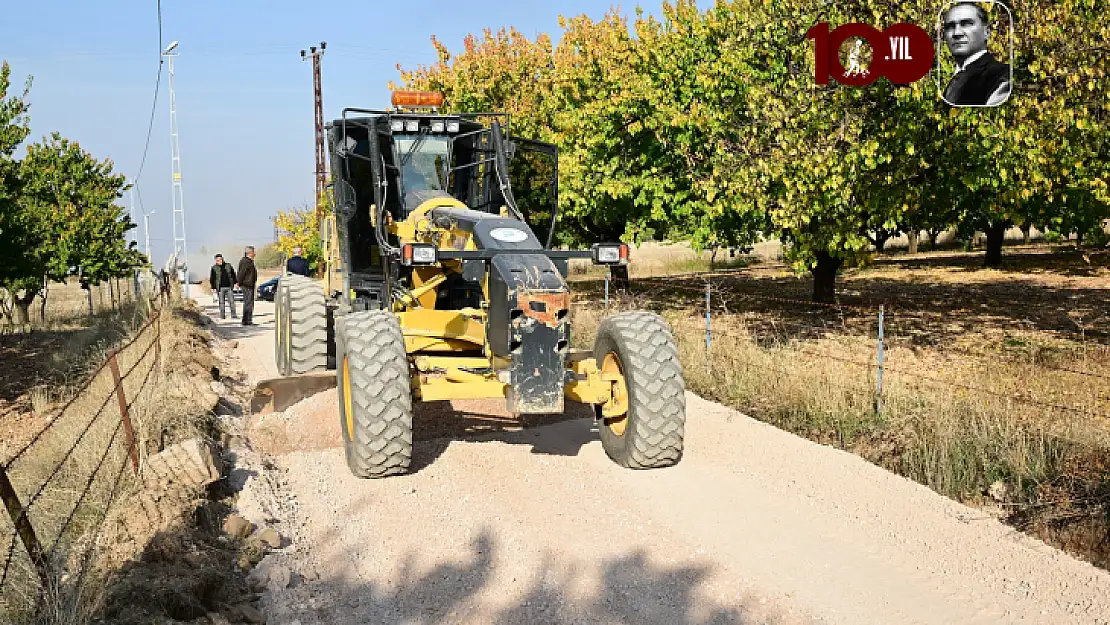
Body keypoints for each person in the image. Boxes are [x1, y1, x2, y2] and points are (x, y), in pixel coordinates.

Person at [941, 2, 1011, 107]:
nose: (957, 33)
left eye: (966, 24)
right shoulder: (957, 78)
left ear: (986, 32)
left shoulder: (1002, 76)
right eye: (950, 26)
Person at [209, 254, 237, 320]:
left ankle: (234, 315)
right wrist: (213, 288)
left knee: (232, 302)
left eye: (221, 259)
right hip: (220, 288)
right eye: (218, 260)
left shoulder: (228, 265)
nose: (220, 261)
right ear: (216, 260)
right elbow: (212, 278)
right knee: (221, 303)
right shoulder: (214, 268)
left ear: (223, 259)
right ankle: (222, 316)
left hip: (229, 287)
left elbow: (233, 274)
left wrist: (235, 282)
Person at [237, 246, 258, 326]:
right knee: (248, 303)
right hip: (247, 285)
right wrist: (238, 282)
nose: (254, 254)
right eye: (253, 252)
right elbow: (241, 273)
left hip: (248, 284)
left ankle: (246, 320)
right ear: (249, 253)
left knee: (248, 303)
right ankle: (247, 321)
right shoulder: (246, 261)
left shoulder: (248, 261)